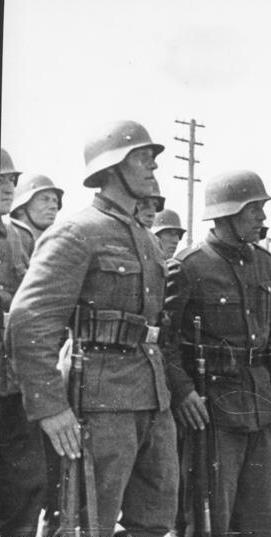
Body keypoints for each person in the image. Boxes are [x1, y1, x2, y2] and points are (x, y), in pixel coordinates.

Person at [6, 121, 178, 537]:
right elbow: (30, 322)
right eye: (142, 157)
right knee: (85, 523)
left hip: (152, 398)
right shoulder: (77, 232)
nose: (153, 166)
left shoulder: (146, 238)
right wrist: (50, 407)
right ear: (112, 167)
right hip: (98, 403)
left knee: (155, 521)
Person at [163, 169, 271, 537]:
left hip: (259, 407)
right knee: (208, 521)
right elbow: (164, 342)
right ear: (228, 213)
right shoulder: (188, 266)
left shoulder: (265, 263)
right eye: (254, 210)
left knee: (263, 523)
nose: (262, 218)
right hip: (211, 412)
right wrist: (183, 391)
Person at [0, 148, 48, 537]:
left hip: (15, 383)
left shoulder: (21, 238)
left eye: (11, 179)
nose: (7, 186)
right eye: (0, 179)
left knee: (26, 482)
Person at [9, 173, 63, 257]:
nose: (54, 206)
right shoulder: (6, 246)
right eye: (45, 199)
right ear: (21, 208)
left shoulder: (58, 248)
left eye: (55, 201)